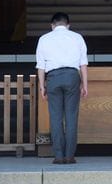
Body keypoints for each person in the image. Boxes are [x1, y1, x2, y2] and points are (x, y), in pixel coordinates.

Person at [36, 12, 88, 164]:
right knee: (71, 118)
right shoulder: (77, 37)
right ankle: (70, 156)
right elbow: (83, 64)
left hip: (52, 78)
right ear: (68, 25)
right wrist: (85, 85)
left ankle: (58, 156)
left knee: (55, 118)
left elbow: (40, 66)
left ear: (52, 26)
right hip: (72, 77)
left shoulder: (44, 39)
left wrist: (42, 86)